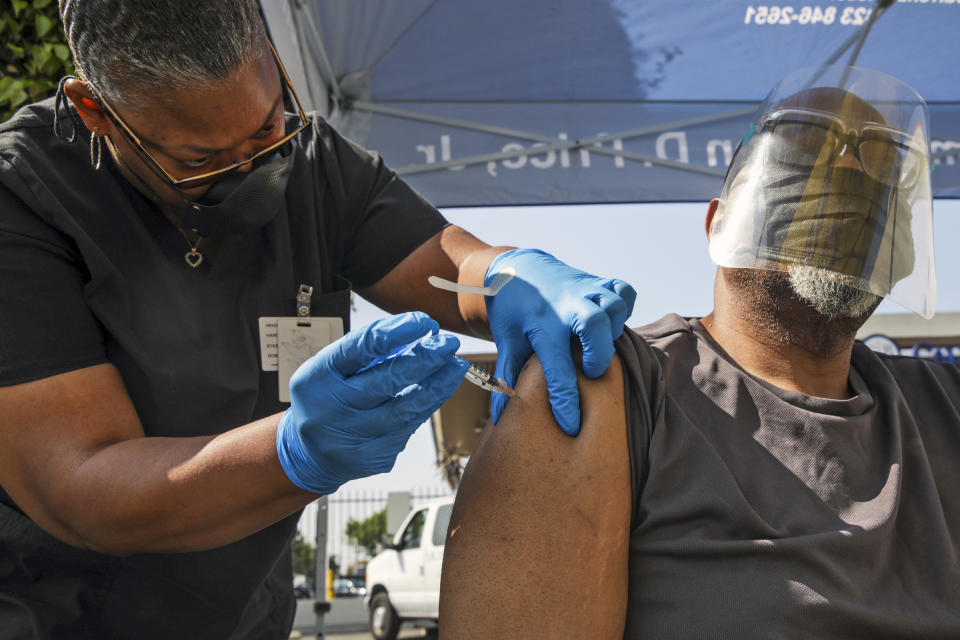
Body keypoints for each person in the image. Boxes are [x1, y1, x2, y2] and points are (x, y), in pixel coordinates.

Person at [0, 1, 636, 637]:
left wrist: (517, 277)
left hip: (247, 617)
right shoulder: (24, 200)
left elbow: (445, 262)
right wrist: (292, 452)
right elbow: (82, 485)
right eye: (199, 160)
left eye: (267, 127)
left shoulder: (315, 165)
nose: (252, 172)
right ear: (95, 112)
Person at [440, 65, 960, 639]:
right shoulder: (615, 391)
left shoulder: (945, 406)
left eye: (883, 161)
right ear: (719, 221)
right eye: (804, 146)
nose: (847, 169)